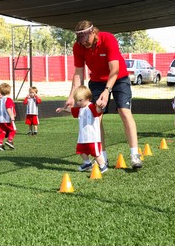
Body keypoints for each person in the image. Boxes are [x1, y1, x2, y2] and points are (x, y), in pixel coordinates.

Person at [65, 20, 142, 169]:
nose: (84, 44)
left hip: (119, 78)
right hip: (96, 82)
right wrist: (72, 96)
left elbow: (114, 70)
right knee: (96, 118)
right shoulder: (79, 46)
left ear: (93, 33)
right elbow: (78, 73)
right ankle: (102, 158)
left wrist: (107, 91)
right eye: (81, 41)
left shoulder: (108, 39)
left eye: (86, 40)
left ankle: (134, 155)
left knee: (124, 112)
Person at [56, 86, 108, 173]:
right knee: (80, 150)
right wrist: (63, 109)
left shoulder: (91, 107)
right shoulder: (80, 109)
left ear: (88, 98)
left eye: (80, 100)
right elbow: (71, 110)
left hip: (93, 137)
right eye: (77, 100)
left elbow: (98, 111)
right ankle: (87, 163)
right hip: (83, 137)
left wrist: (100, 106)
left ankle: (103, 166)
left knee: (95, 153)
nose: (78, 102)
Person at [0, 83, 17, 151]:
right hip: (7, 119)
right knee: (13, 130)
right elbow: (8, 108)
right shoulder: (8, 99)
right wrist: (12, 116)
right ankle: (9, 141)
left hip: (0, 120)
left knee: (3, 132)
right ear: (9, 91)